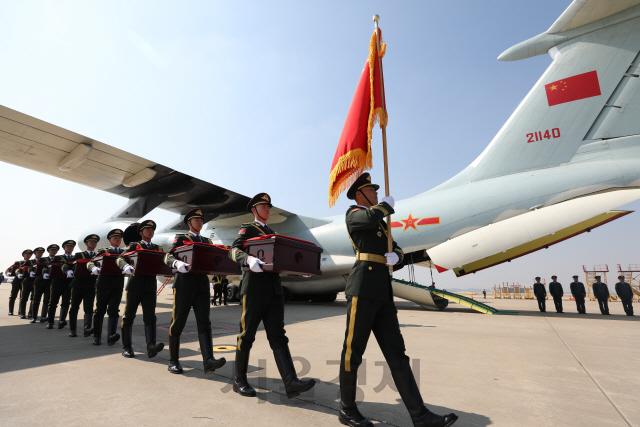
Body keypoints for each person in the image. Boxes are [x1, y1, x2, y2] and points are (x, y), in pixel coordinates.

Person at [337, 174, 457, 427]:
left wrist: (397, 257)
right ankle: (347, 409)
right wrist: (385, 206)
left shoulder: (380, 223)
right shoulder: (354, 214)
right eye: (372, 190)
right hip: (363, 287)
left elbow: (398, 248)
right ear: (360, 194)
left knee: (397, 354)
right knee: (353, 351)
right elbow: (369, 216)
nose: (377, 193)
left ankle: (420, 415)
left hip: (382, 289)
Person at [228, 194, 317, 400]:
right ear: (254, 210)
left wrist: (299, 269)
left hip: (274, 291)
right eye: (264, 206)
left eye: (269, 206)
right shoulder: (248, 229)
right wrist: (247, 258)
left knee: (278, 335)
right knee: (247, 335)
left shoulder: (273, 233)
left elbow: (284, 259)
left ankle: (291, 382)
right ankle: (239, 380)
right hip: (254, 289)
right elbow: (233, 250)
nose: (268, 208)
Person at [163, 208, 226, 375]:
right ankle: (173, 360)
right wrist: (176, 264)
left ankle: (208, 361)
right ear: (189, 223)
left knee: (204, 322)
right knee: (178, 322)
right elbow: (168, 256)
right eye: (196, 219)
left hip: (202, 286)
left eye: (201, 219)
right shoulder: (181, 238)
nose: (200, 221)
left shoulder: (207, 240)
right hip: (184, 285)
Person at [116, 220, 165, 359]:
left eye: (152, 229)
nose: (150, 231)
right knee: (129, 316)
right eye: (147, 229)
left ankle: (151, 346)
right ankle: (127, 347)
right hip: (135, 284)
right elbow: (119, 259)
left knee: (150, 316)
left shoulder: (158, 248)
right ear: (141, 232)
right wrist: (125, 267)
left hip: (150, 285)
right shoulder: (134, 245)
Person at [86, 229, 125, 345]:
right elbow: (90, 262)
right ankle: (97, 336)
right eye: (115, 238)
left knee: (113, 309)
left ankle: (111, 336)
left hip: (118, 284)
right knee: (100, 310)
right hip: (103, 284)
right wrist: (93, 268)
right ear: (109, 240)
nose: (117, 239)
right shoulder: (103, 251)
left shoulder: (124, 253)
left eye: (119, 238)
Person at [67, 235, 100, 337]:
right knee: (74, 307)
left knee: (89, 307)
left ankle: (87, 328)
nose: (93, 244)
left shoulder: (98, 256)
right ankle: (72, 329)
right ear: (86, 244)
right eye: (91, 242)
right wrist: (68, 271)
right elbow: (66, 264)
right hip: (78, 284)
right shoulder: (79, 255)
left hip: (91, 285)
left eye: (95, 242)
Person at [46, 240, 76, 329]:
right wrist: (46, 273)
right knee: (53, 302)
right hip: (57, 283)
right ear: (64, 248)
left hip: (68, 283)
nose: (70, 248)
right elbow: (47, 267)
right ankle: (50, 322)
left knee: (66, 302)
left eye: (71, 246)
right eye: (68, 246)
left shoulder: (75, 258)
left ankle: (62, 320)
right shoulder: (57, 258)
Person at [31, 244, 58, 323]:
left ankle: (43, 316)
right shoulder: (42, 259)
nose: (54, 251)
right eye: (52, 250)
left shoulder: (57, 259)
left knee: (47, 300)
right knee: (36, 300)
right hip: (39, 281)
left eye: (55, 250)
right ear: (49, 251)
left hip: (50, 283)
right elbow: (33, 267)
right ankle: (34, 317)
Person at [7, 250, 32, 316]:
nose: (28, 255)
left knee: (22, 296)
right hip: (17, 280)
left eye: (29, 254)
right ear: (23, 255)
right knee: (13, 296)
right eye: (26, 254)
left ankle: (20, 310)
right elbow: (8, 269)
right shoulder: (18, 262)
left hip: (25, 281)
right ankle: (10, 310)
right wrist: (8, 273)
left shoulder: (31, 262)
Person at [19, 248, 41, 319]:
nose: (40, 254)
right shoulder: (30, 261)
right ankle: (22, 313)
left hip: (36, 282)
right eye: (38, 252)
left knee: (33, 299)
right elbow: (20, 269)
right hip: (27, 282)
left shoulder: (44, 261)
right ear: (35, 253)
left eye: (41, 252)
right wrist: (19, 274)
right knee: (24, 298)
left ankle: (30, 313)